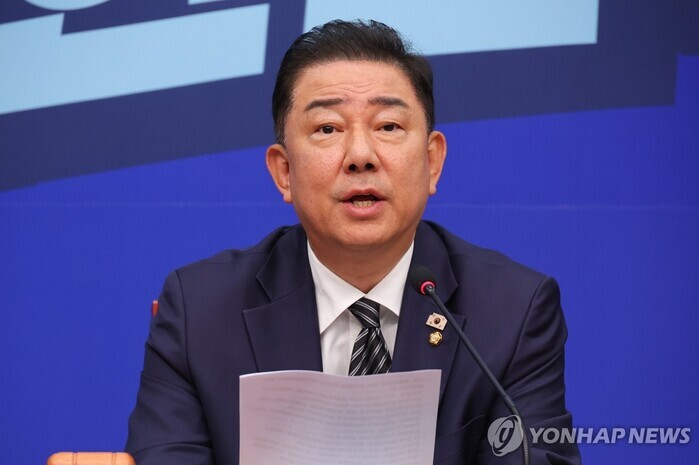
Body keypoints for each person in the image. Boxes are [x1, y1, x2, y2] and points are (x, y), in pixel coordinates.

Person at [126, 19, 580, 464]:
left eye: (388, 126)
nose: (361, 156)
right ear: (284, 171)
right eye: (328, 128)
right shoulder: (200, 311)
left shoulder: (512, 310)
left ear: (433, 161)